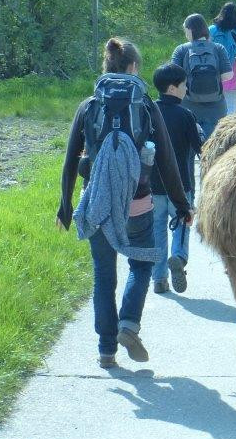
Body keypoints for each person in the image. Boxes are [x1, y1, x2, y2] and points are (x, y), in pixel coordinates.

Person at [57, 38, 193, 368]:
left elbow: (71, 160)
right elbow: (167, 161)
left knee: (104, 276)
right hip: (138, 203)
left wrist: (64, 206)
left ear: (106, 67)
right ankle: (129, 325)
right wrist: (182, 204)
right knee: (142, 264)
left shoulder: (89, 105)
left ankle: (106, 350)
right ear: (133, 67)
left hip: (99, 204)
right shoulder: (145, 104)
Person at [149, 63, 205, 295]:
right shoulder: (185, 115)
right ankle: (179, 257)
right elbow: (201, 149)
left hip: (152, 185)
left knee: (157, 230)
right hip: (180, 185)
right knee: (182, 224)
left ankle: (159, 279)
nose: (186, 88)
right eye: (183, 85)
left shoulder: (148, 111)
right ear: (173, 88)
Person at [172, 14, 232, 139]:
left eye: (185, 30)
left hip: (188, 106)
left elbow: (173, 76)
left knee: (187, 150)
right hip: (216, 108)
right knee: (212, 150)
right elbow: (228, 75)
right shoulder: (218, 48)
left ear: (189, 29)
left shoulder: (181, 50)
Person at [209, 2, 236, 112]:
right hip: (232, 68)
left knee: (215, 97)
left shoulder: (212, 29)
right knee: (232, 100)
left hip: (214, 67)